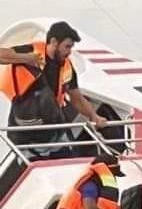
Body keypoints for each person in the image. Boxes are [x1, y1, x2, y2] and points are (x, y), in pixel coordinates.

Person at [0, 21, 107, 156]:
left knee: (72, 160)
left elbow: (77, 99)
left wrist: (93, 116)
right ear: (54, 42)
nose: (69, 52)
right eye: (67, 46)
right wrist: (26, 58)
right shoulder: (32, 50)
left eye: (71, 47)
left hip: (53, 128)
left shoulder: (67, 67)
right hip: (25, 130)